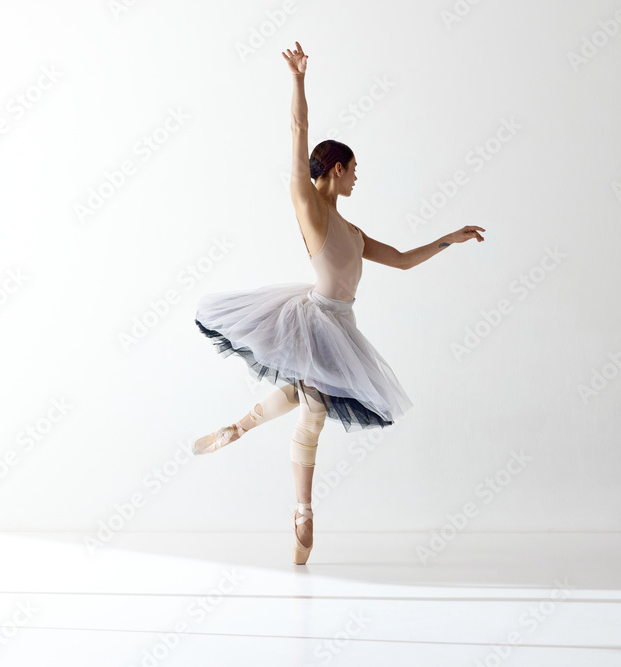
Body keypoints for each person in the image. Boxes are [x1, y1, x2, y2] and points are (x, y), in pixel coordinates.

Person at [192, 41, 485, 565]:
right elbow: (298, 133)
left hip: (342, 325)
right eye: (353, 168)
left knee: (305, 394)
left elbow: (399, 259)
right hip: (313, 319)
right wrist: (299, 81)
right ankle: (302, 511)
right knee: (316, 409)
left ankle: (239, 426)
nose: (357, 177)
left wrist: (449, 239)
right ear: (334, 167)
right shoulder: (310, 207)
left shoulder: (352, 228)